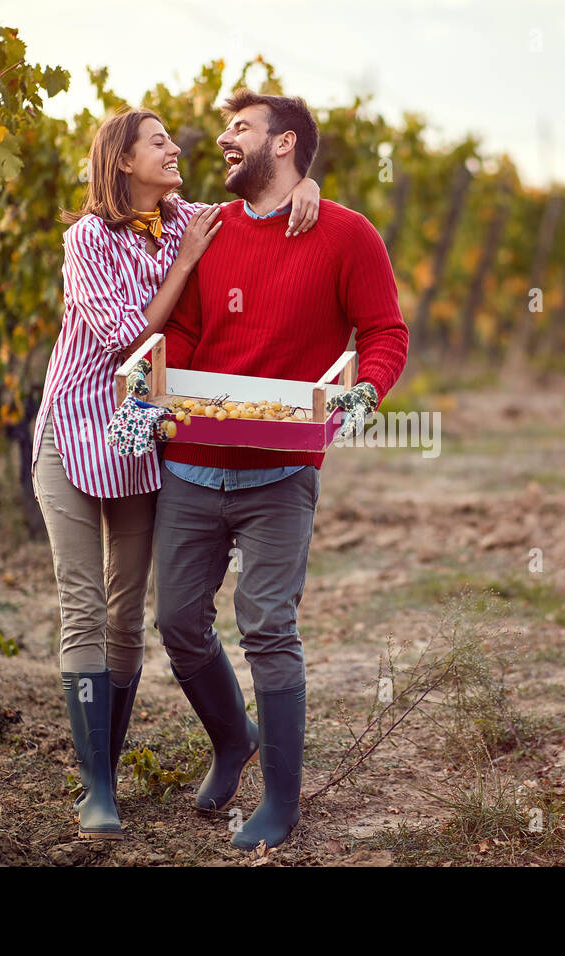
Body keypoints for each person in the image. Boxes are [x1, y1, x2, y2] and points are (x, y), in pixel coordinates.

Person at [33, 107, 320, 840]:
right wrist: (187, 262)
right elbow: (131, 340)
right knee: (82, 603)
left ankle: (118, 768)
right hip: (75, 431)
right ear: (123, 161)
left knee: (129, 615)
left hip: (142, 441)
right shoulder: (87, 240)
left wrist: (308, 189)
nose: (176, 148)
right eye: (158, 142)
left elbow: (265, 200)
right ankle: (96, 789)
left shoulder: (190, 216)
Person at [152, 90, 409, 851]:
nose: (225, 139)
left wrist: (366, 391)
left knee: (267, 625)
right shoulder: (209, 230)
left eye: (242, 127)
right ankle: (235, 739)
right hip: (193, 466)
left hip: (281, 475)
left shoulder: (347, 234)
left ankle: (283, 804)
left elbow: (385, 331)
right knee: (178, 626)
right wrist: (163, 400)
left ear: (287, 143)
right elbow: (191, 333)